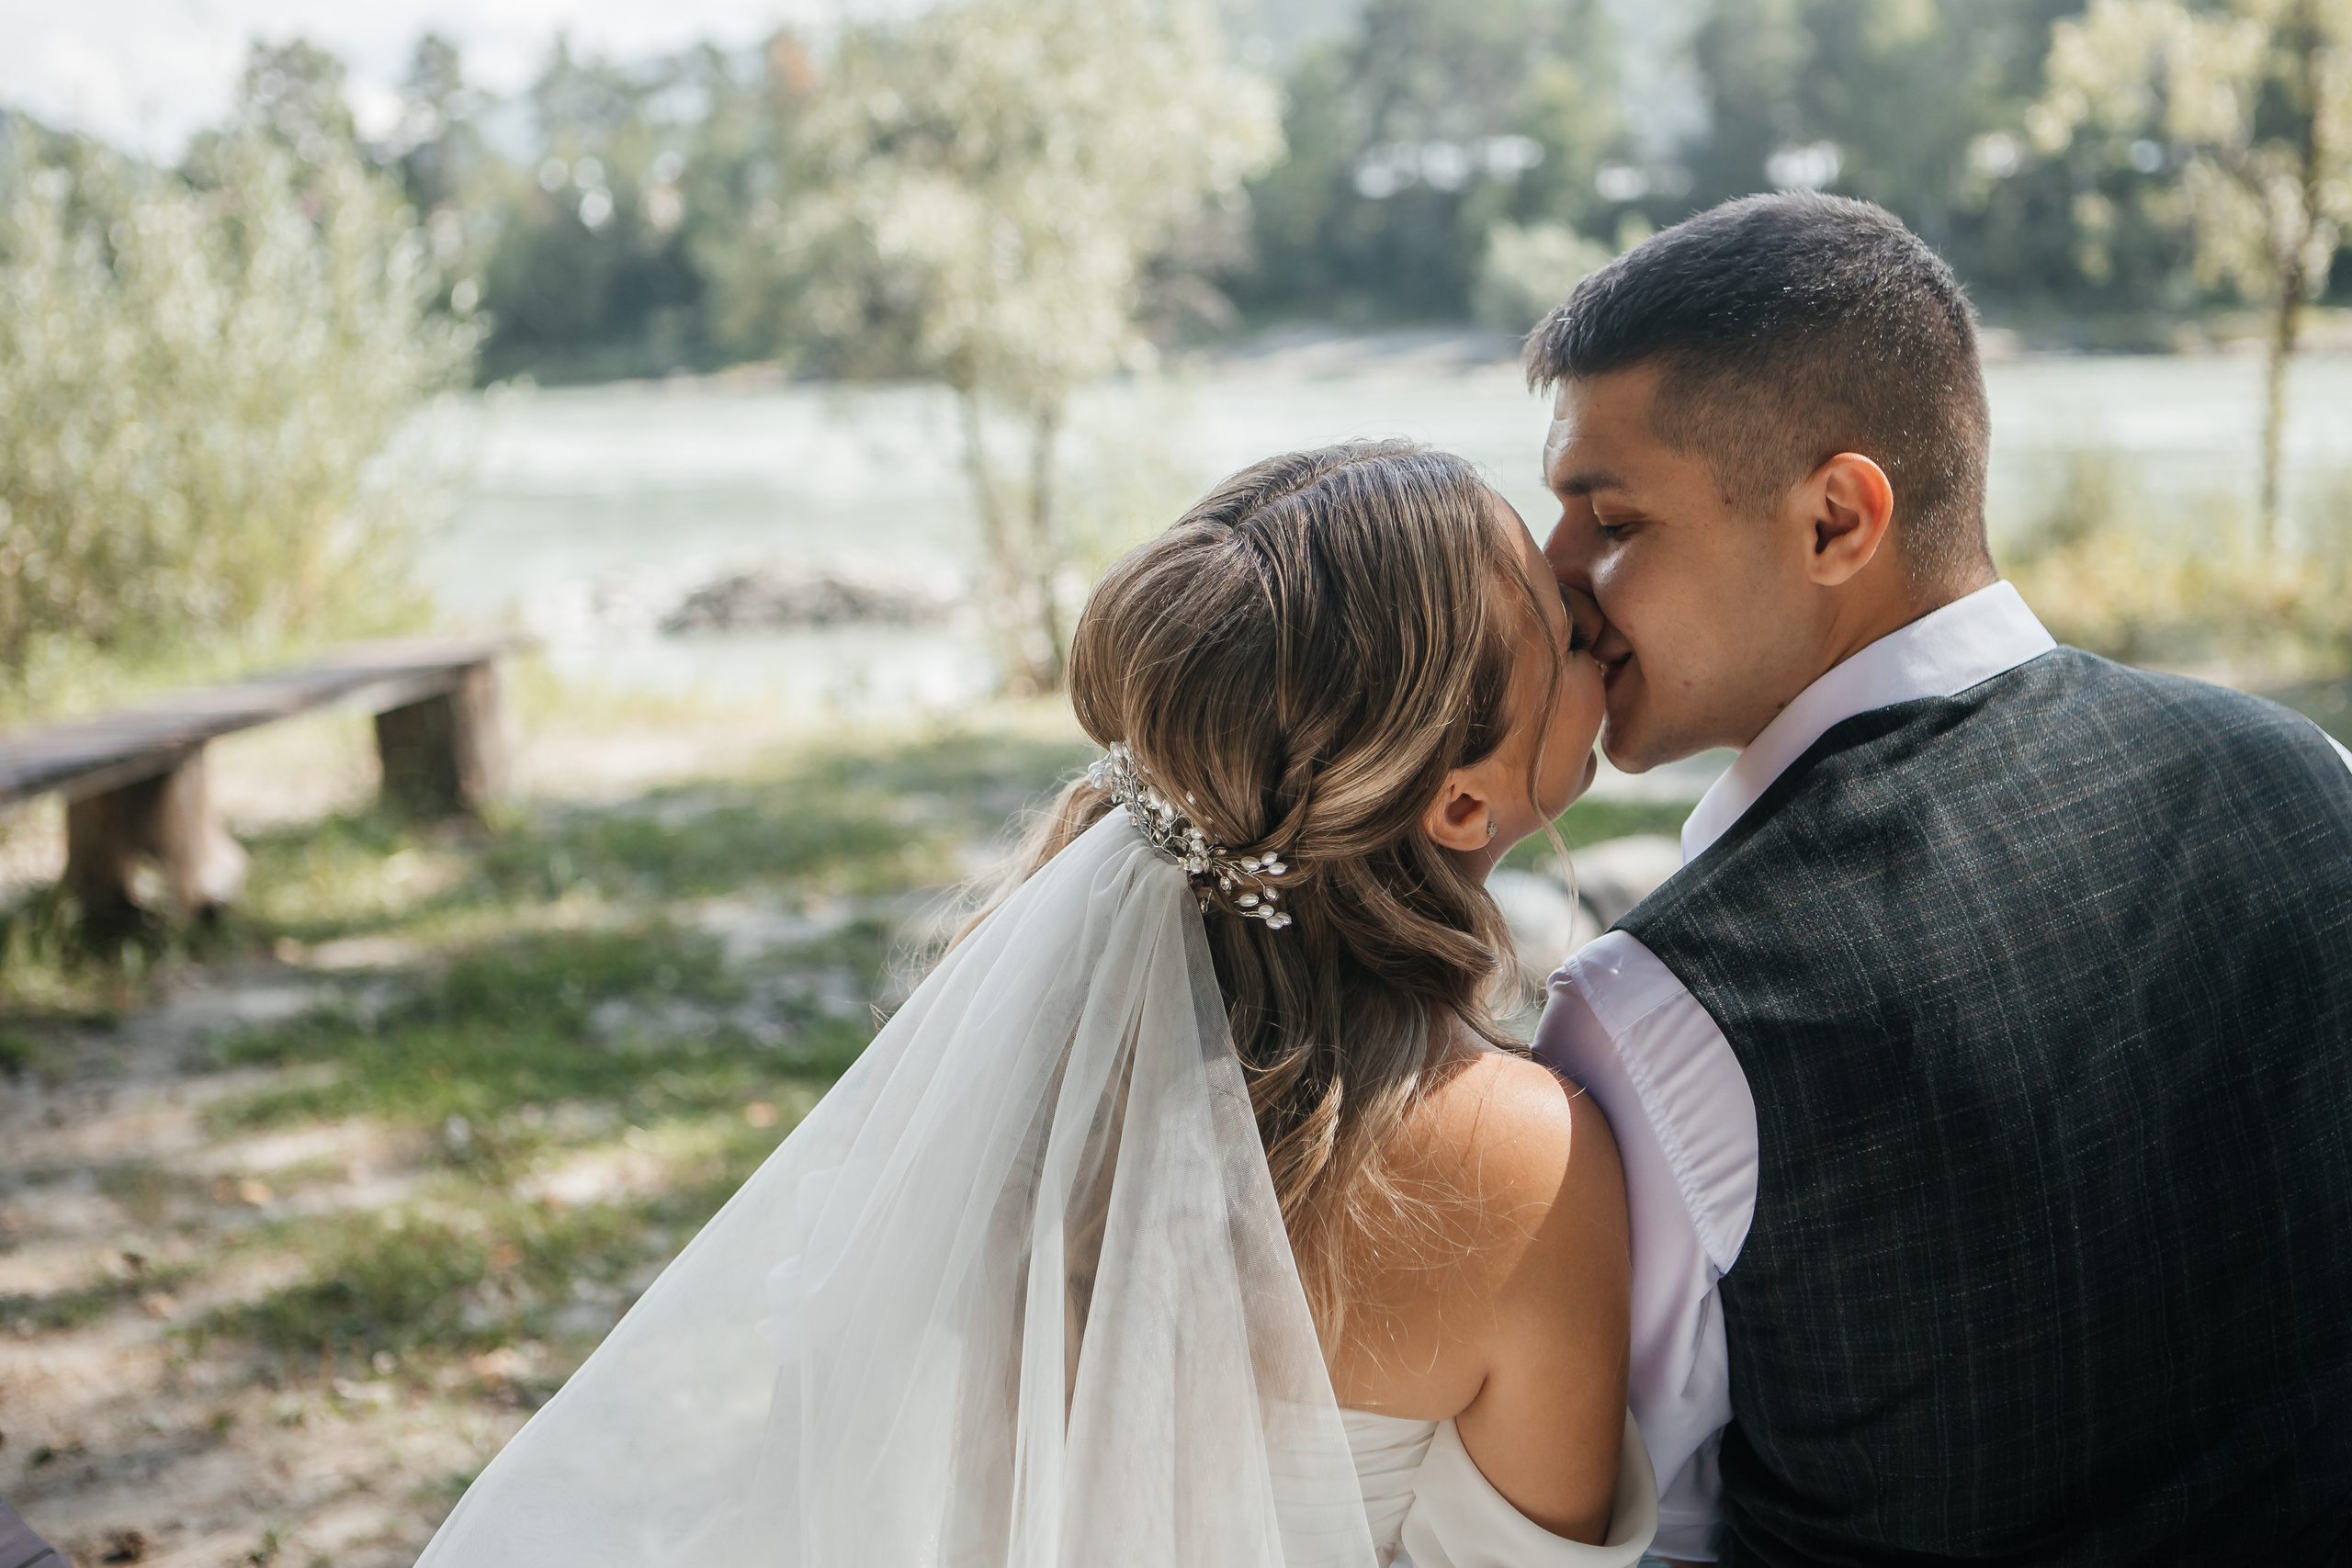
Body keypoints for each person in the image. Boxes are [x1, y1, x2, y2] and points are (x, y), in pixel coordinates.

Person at [411, 444, 1658, 1567]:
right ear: (1458, 803)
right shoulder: (1520, 1160)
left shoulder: (1014, 1064)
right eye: (1560, 631)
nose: (1589, 606)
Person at [1530, 192, 2352, 1565]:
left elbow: (1640, 1532)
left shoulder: (1655, 1015)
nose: (1553, 577)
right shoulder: (2307, 771)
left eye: (1609, 521)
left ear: (1837, 520)